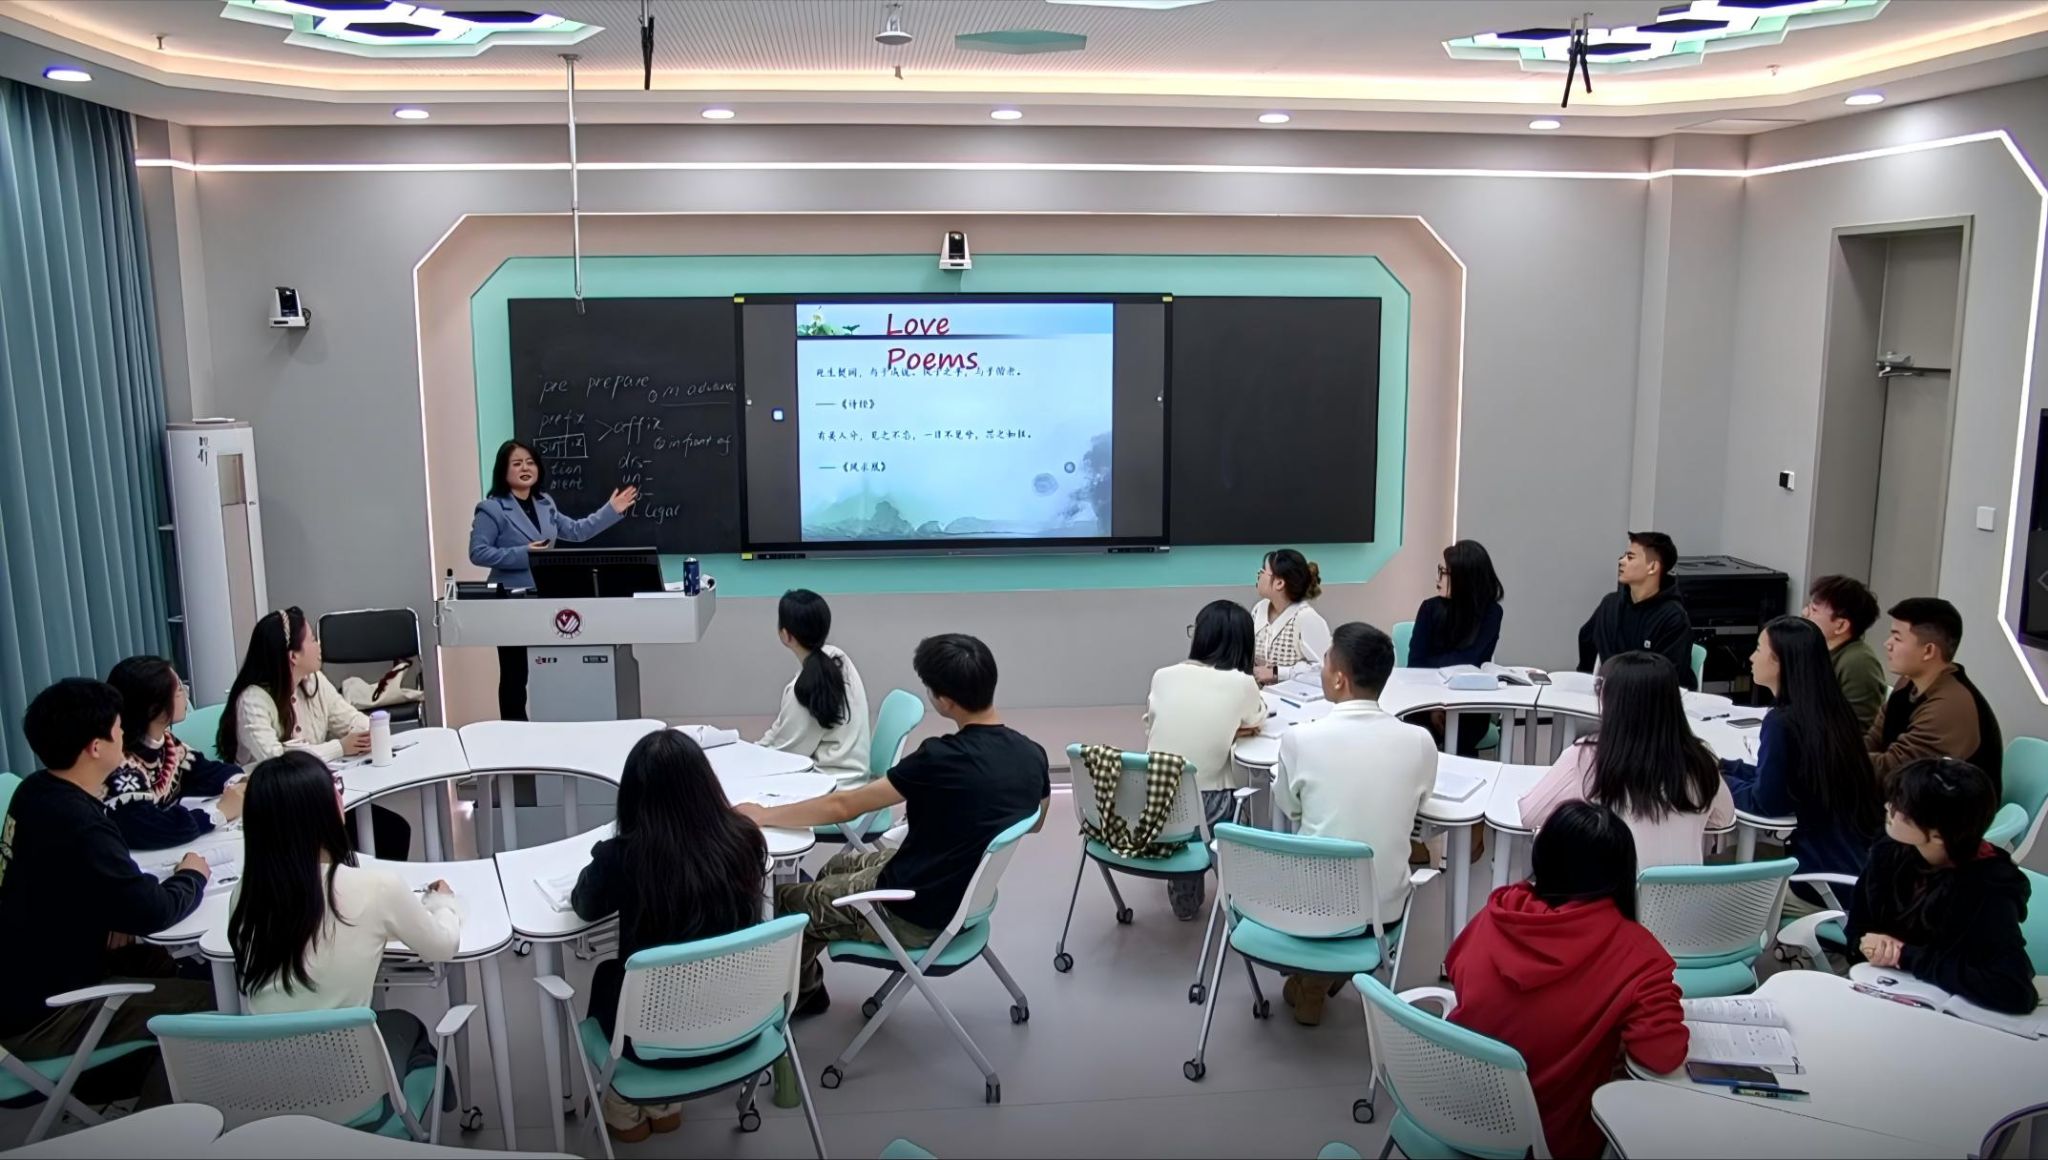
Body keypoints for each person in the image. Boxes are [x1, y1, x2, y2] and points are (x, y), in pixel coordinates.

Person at [736, 634, 1049, 1013]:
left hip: (913, 911)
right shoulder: (1033, 755)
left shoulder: (939, 759)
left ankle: (797, 998)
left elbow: (844, 806)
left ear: (944, 700)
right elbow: (1035, 821)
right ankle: (806, 981)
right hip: (962, 892)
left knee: (783, 902)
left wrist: (764, 814)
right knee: (835, 867)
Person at [0, 679, 214, 1106]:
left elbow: (65, 884)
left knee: (175, 964)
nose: (124, 735)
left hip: (22, 985)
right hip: (44, 1016)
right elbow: (154, 911)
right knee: (214, 1002)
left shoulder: (34, 792)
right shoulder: (79, 823)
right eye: (118, 729)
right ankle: (166, 1125)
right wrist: (192, 875)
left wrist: (112, 910)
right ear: (95, 747)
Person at [227, 751, 463, 1128]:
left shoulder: (245, 893)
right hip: (349, 1096)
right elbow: (443, 946)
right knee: (407, 1026)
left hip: (268, 1097)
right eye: (335, 788)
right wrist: (443, 903)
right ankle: (428, 1115)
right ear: (322, 810)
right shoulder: (376, 887)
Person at [1445, 802, 1687, 1159]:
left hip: (1450, 1114)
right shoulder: (1638, 956)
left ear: (1542, 857)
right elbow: (1663, 1055)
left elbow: (1456, 970)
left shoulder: (1499, 912)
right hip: (1549, 1141)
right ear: (1621, 873)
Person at [570, 730, 766, 1141]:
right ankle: (664, 1106)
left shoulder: (625, 856)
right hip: (739, 1027)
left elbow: (584, 904)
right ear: (706, 785)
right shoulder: (745, 840)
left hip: (650, 1041)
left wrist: (602, 856)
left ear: (633, 797)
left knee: (608, 976)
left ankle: (624, 1108)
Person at [1271, 622, 1437, 1025]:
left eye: (1325, 661)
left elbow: (1289, 808)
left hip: (1307, 910)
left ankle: (1311, 980)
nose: (1322, 668)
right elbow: (1419, 809)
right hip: (1381, 910)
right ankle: (1323, 978)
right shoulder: (1419, 741)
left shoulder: (1299, 740)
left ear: (1339, 679)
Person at [1847, 757, 2036, 1015]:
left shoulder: (1988, 887)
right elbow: (1859, 927)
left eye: (1900, 808)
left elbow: (2015, 991)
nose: (1888, 807)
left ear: (1938, 834)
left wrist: (1904, 956)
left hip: (1946, 1012)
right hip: (1884, 991)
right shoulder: (1891, 849)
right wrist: (1867, 944)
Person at [468, 438, 639, 721]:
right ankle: (514, 733)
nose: (525, 468)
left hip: (546, 598)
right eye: (517, 463)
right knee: (514, 674)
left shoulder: (545, 503)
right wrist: (524, 553)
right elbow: (478, 552)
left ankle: (550, 726)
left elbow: (577, 531)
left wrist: (611, 510)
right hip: (511, 602)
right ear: (503, 471)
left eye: (530, 462)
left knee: (548, 666)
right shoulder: (492, 508)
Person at [222, 607, 412, 859]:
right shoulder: (252, 700)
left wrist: (369, 730)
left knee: (393, 832)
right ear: (293, 656)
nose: (319, 645)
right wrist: (340, 747)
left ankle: (359, 883)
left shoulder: (314, 681)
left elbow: (347, 718)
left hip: (314, 794)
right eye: (312, 640)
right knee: (364, 840)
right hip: (275, 808)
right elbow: (278, 761)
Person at [1521, 652, 1734, 866]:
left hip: (1612, 886)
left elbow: (1530, 815)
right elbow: (1723, 819)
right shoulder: (1701, 760)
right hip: (1683, 887)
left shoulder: (1588, 756)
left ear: (1612, 701)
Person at [1721, 617, 1882, 890]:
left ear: (1780, 662)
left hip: (1819, 880)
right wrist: (1727, 767)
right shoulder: (1833, 711)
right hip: (1856, 866)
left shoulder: (1782, 722)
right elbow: (1788, 780)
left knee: (1723, 878)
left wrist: (1719, 783)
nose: (1751, 657)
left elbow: (1766, 802)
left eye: (1758, 649)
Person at [1145, 599, 1268, 919]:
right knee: (1241, 802)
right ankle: (1241, 902)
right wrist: (1233, 728)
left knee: (1185, 797)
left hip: (1155, 800)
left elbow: (1151, 723)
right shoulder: (1242, 683)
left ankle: (1185, 902)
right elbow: (1258, 718)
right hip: (1210, 806)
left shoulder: (1163, 676)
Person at [104, 656, 245, 850]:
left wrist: (240, 783)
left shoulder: (168, 744)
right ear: (154, 707)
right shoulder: (120, 763)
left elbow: (207, 772)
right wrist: (219, 813)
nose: (185, 695)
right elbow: (148, 829)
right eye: (179, 690)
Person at [1867, 597, 2004, 791]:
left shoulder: (1950, 707)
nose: (1887, 644)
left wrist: (1833, 759)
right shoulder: (1907, 683)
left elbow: (1893, 771)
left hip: (1944, 805)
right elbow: (1874, 739)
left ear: (1928, 651)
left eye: (1897, 638)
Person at [757, 589, 872, 788]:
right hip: (851, 777)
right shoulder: (839, 659)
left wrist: (748, 758)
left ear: (785, 635)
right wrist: (757, 748)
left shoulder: (804, 689)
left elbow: (786, 756)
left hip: (831, 787)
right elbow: (781, 730)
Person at [1407, 539, 1506, 756]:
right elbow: (1415, 664)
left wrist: (1437, 665)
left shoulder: (1491, 613)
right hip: (1425, 700)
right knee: (1417, 736)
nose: (1437, 578)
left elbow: (1471, 662)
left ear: (1464, 578)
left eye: (1444, 572)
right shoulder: (1429, 608)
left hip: (1468, 702)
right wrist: (1434, 706)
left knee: (1462, 739)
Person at [1577, 531, 1696, 690]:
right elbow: (1587, 640)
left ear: (1652, 567)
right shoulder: (1610, 605)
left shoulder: (1674, 618)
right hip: (1612, 694)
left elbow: (1667, 676)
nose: (1621, 561)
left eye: (1630, 557)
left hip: (1656, 699)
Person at [1801, 574, 1888, 732]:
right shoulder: (1816, 648)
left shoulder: (1858, 662)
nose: (1804, 612)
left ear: (1841, 626)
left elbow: (1857, 729)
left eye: (1814, 610)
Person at [1252, 548, 1330, 687]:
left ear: (1279, 583)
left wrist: (1277, 673)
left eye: (1263, 571)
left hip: (1294, 697)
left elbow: (1324, 669)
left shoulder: (1306, 618)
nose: (1259, 575)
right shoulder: (1260, 608)